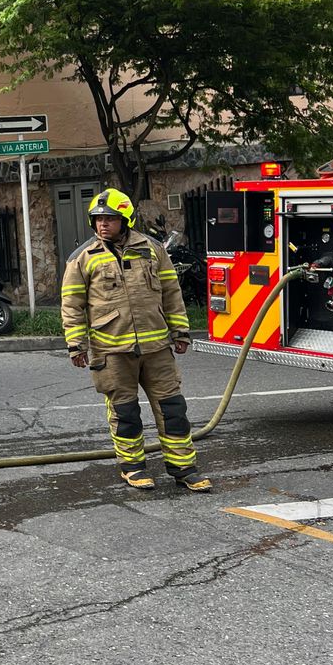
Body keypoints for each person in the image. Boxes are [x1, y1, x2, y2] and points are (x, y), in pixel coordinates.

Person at [60, 188, 210, 493]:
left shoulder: (152, 249)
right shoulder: (82, 258)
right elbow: (72, 305)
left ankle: (184, 468)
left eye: (110, 218)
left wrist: (180, 331)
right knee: (125, 413)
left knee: (173, 410)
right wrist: (76, 344)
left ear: (125, 219)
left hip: (157, 350)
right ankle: (133, 467)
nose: (103, 224)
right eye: (98, 219)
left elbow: (171, 292)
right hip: (112, 351)